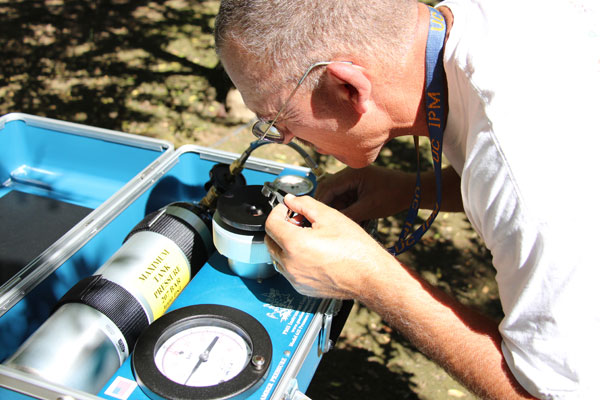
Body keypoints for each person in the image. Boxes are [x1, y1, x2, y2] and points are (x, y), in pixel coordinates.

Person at [214, 0, 600, 399]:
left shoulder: (536, 183)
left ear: (348, 87)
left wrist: (371, 277)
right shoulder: (475, 26)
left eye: (277, 121)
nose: (286, 140)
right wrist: (409, 188)